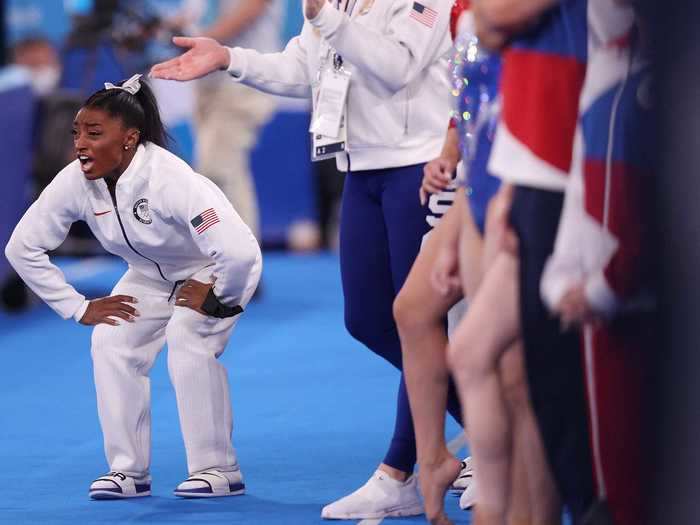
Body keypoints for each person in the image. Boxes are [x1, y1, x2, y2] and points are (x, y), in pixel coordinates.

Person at [151, 0, 466, 519]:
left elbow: (394, 68)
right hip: (360, 167)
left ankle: (400, 472)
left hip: (420, 163)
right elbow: (305, 65)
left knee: (421, 324)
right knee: (365, 319)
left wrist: (326, 18)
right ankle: (488, 419)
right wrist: (228, 57)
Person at [4, 74, 262, 500]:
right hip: (147, 275)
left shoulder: (171, 180)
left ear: (129, 138)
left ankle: (218, 468)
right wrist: (77, 306)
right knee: (110, 341)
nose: (80, 144)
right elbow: (22, 247)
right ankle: (127, 472)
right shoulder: (77, 180)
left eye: (94, 133)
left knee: (186, 336)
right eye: (77, 133)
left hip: (208, 268)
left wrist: (219, 299)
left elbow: (239, 252)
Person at [447, 0, 598, 523]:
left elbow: (495, 19)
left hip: (566, 165)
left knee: (541, 376)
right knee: (496, 364)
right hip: (520, 164)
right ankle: (507, 511)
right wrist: (507, 181)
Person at [541, 4, 652, 523]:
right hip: (601, 304)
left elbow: (647, 218)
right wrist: (563, 276)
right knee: (613, 463)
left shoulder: (645, 87)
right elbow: (583, 191)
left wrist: (606, 288)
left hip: (633, 309)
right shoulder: (603, 78)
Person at [174, 0, 284, 240]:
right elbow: (196, 14)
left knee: (217, 170)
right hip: (206, 82)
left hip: (243, 80)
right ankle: (237, 260)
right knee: (226, 170)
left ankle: (240, 260)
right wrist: (170, 30)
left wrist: (198, 42)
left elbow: (248, 12)